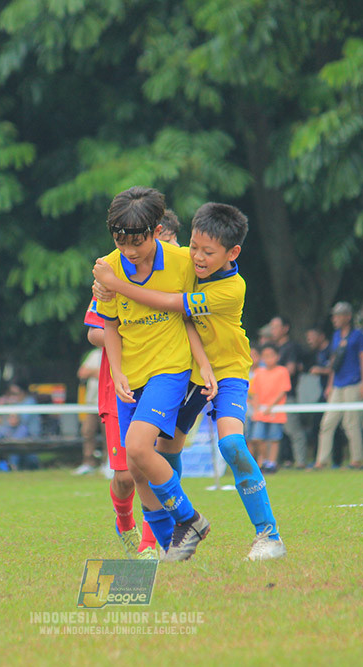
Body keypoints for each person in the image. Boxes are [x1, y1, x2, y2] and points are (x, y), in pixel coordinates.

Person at [94, 201, 285, 560]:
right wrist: (104, 285)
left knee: (231, 445)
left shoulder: (232, 288)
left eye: (207, 252)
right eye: (193, 246)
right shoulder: (186, 263)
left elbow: (170, 304)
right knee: (165, 455)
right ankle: (176, 539)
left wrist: (113, 284)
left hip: (226, 369)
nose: (197, 256)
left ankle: (268, 535)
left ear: (233, 252)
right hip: (188, 372)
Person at [94, 186, 215, 562]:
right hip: (131, 374)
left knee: (140, 447)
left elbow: (190, 316)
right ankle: (172, 546)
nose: (129, 250)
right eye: (120, 239)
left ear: (156, 229)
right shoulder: (107, 267)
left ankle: (189, 518)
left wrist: (206, 364)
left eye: (137, 241)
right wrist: (117, 372)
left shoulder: (181, 261)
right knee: (135, 466)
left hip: (169, 369)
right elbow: (109, 325)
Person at [84, 298, 158, 559]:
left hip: (157, 383)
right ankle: (125, 524)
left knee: (150, 468)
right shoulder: (111, 280)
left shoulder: (167, 275)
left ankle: (149, 543)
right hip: (118, 389)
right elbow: (94, 332)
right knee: (126, 477)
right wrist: (132, 332)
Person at [314, 302, 363, 469]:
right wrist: (330, 384)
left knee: (351, 422)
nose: (335, 319)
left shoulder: (358, 336)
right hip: (338, 383)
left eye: (338, 315)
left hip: (353, 382)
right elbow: (334, 362)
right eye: (334, 316)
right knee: (327, 423)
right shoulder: (336, 336)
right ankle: (321, 460)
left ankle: (356, 459)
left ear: (348, 317)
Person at [268, 316, 307, 467]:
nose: (273, 330)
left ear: (285, 328)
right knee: (272, 432)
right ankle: (272, 462)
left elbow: (290, 370)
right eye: (272, 327)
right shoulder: (274, 348)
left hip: (286, 395)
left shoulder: (290, 347)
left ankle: (301, 462)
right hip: (270, 398)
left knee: (294, 430)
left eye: (276, 326)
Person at [248, 344, 291, 474]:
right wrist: (257, 409)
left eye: (271, 356)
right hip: (261, 410)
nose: (268, 359)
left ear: (277, 357)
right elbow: (254, 392)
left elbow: (283, 391)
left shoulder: (282, 371)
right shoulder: (258, 373)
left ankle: (272, 463)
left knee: (274, 438)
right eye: (265, 356)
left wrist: (272, 406)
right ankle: (265, 460)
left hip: (276, 410)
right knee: (257, 438)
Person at [74, 347, 103, 475]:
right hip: (91, 403)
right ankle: (88, 462)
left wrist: (94, 372)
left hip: (107, 402)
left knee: (108, 434)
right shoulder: (95, 354)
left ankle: (108, 464)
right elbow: (82, 372)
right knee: (87, 432)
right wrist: (99, 372)